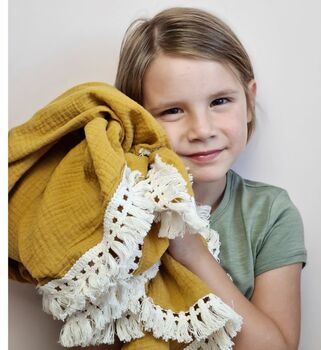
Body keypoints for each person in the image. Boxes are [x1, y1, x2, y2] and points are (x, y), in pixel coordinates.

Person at [83, 6, 307, 350]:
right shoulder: (114, 211)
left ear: (248, 102)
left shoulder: (271, 213)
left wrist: (190, 250)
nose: (202, 130)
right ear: (138, 118)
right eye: (173, 110)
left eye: (220, 101)